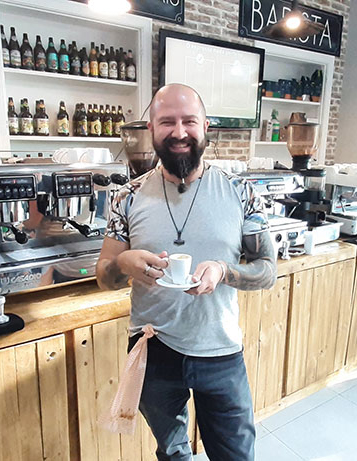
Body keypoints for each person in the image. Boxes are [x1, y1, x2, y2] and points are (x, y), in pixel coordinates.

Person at [95, 83, 277, 461]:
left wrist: (224, 271)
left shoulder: (240, 192)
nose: (179, 132)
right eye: (167, 122)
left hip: (221, 351)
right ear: (151, 129)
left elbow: (267, 271)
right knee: (172, 453)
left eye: (189, 121)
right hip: (153, 349)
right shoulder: (126, 196)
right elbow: (104, 276)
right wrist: (123, 263)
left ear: (205, 127)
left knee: (236, 455)